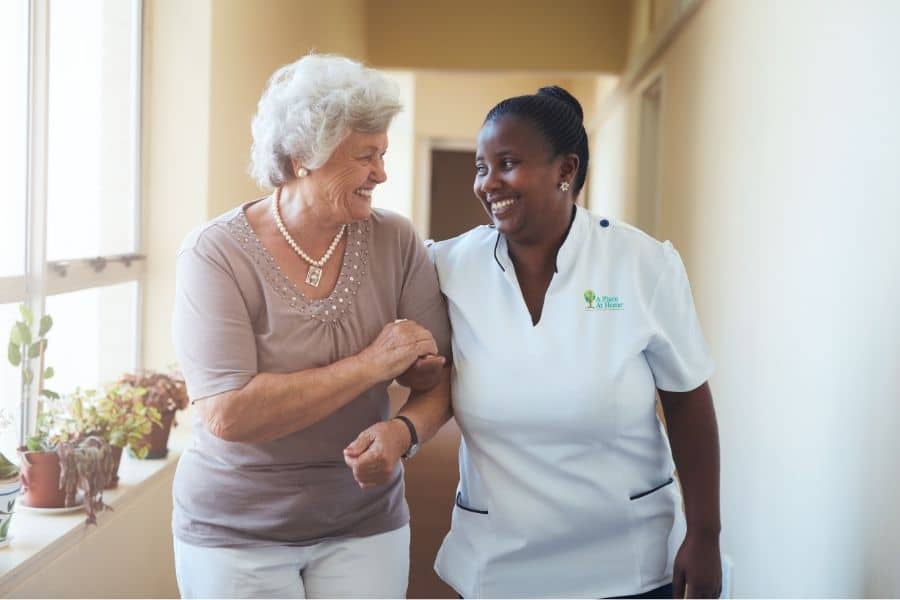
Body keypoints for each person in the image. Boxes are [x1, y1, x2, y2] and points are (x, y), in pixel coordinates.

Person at [351, 85, 722, 598]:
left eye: (507, 163)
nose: (488, 183)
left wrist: (705, 535)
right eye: (482, 167)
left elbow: (688, 403)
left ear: (565, 170)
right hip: (499, 563)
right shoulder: (447, 266)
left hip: (627, 563)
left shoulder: (641, 265)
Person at [170, 53, 451, 599]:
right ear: (303, 156)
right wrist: (372, 364)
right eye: (365, 156)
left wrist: (404, 430)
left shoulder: (396, 240)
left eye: (384, 153)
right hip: (235, 533)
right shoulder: (215, 254)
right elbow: (229, 413)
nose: (382, 173)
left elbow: (437, 380)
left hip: (365, 522)